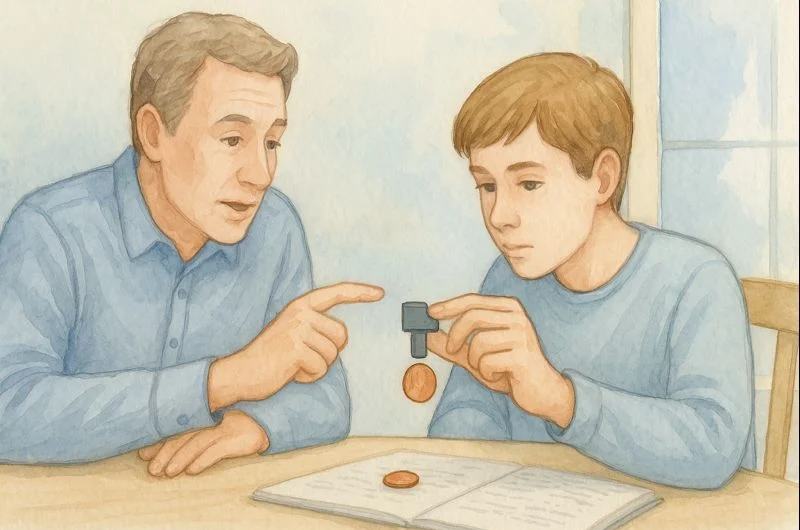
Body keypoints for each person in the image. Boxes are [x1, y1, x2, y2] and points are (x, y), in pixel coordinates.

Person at [0, 12, 383, 476]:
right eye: (232, 139)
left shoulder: (275, 225)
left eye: (273, 142)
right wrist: (221, 383)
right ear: (153, 134)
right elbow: (10, 409)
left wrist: (252, 426)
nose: (260, 176)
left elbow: (324, 392)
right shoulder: (50, 228)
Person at [426, 52, 756, 490]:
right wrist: (476, 408)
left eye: (528, 184)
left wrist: (564, 401)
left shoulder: (696, 280)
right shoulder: (506, 280)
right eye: (487, 186)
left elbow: (714, 447)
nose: (500, 215)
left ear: (601, 179)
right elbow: (463, 420)